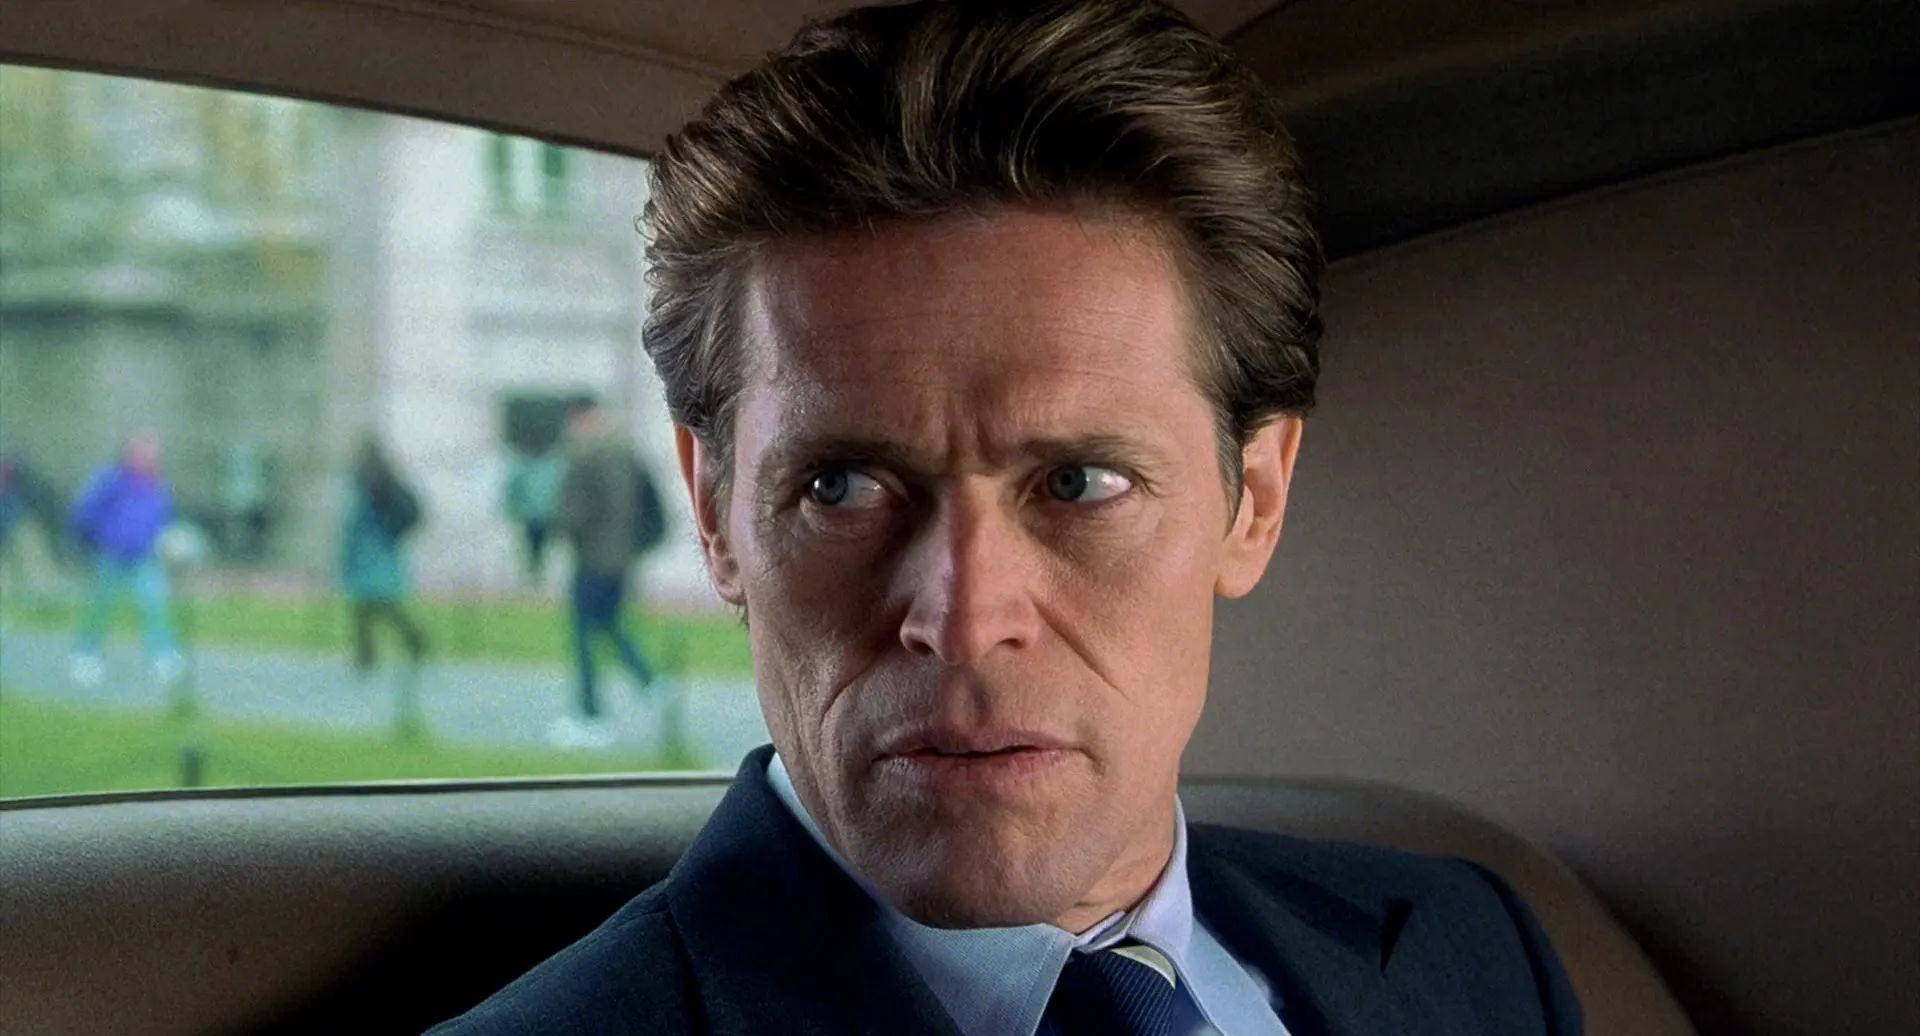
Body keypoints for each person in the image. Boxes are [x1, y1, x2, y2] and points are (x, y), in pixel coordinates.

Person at [435, 2, 1581, 1034]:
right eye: (841, 487)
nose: (965, 618)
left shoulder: (1476, 954)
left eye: (1078, 483)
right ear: (714, 513)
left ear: (1257, 500)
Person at [546, 399, 657, 750]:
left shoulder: (584, 456)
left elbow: (574, 513)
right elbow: (649, 502)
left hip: (592, 558)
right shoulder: (625, 453)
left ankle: (590, 716)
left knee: (583, 635)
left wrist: (558, 530)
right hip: (621, 558)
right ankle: (649, 681)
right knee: (608, 623)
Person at [67, 430, 182, 689]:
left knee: (154, 604)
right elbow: (86, 511)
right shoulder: (111, 481)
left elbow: (165, 519)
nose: (149, 458)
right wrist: (90, 540)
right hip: (111, 555)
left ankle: (163, 655)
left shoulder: (159, 486)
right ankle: (86, 655)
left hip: (143, 557)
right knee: (100, 607)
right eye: (143, 452)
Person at [339, 435, 429, 733]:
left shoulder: (362, 487)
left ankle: (398, 646)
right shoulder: (387, 482)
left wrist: (344, 562)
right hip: (385, 557)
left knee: (371, 610)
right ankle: (370, 655)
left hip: (369, 558)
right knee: (373, 610)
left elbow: (352, 525)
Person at [503, 443, 565, 587]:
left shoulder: (550, 468)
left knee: (542, 546)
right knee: (532, 546)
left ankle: (537, 574)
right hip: (532, 517)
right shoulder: (527, 470)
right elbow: (514, 492)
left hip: (545, 516)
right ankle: (534, 574)